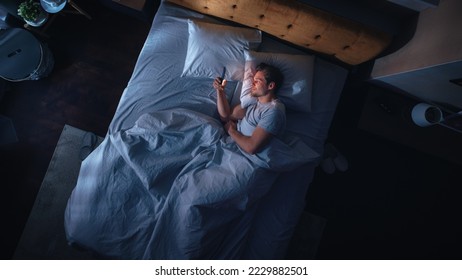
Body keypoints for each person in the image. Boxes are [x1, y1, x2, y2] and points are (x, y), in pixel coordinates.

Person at [213, 63, 285, 155]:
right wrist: (220, 91)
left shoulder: (273, 111)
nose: (252, 83)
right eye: (253, 80)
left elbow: (251, 148)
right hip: (236, 145)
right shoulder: (255, 103)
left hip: (252, 157)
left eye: (257, 81)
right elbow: (226, 116)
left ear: (270, 86)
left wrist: (231, 131)